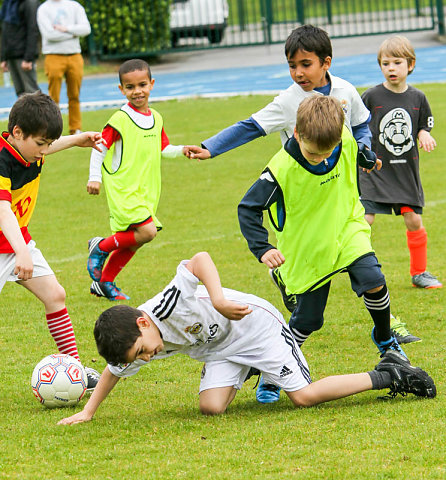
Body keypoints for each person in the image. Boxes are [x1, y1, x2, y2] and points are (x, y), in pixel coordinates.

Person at [188, 24, 412, 343]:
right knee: (308, 306)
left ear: (326, 62)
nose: (298, 73)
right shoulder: (287, 101)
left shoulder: (346, 92)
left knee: (366, 267)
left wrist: (365, 150)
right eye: (292, 66)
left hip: (336, 194)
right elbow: (250, 127)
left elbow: (362, 126)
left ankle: (386, 334)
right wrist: (211, 146)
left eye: (305, 64)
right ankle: (284, 284)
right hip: (299, 201)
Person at [57, 251, 436, 426]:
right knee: (211, 408)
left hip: (255, 327)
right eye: (136, 359)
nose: (144, 359)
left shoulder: (166, 305)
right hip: (220, 347)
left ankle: (391, 373)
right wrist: (88, 412)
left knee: (302, 398)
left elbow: (201, 258)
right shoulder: (132, 343)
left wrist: (219, 300)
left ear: (143, 323)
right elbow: (112, 371)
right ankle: (253, 370)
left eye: (141, 352)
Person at [238, 95, 409, 404]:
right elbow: (248, 208)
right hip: (307, 247)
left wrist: (367, 159)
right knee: (308, 321)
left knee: (373, 278)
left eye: (327, 152)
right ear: (297, 134)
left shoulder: (340, 136)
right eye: (313, 153)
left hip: (346, 225)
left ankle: (385, 338)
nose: (321, 158)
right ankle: (274, 370)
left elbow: (353, 150)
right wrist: (262, 248)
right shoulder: (281, 168)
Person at [0, 91, 103, 390]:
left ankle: (74, 370)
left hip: (17, 240)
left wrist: (78, 138)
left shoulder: (28, 147)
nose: (44, 151)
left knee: (55, 295)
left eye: (48, 144)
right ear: (17, 132)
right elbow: (3, 209)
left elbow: (46, 143)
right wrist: (22, 252)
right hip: (10, 241)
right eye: (40, 144)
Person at [86, 59, 195, 301]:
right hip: (123, 188)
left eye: (142, 85)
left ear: (152, 84)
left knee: (135, 240)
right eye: (130, 87)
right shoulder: (119, 119)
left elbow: (163, 147)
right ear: (121, 90)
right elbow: (99, 148)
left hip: (146, 188)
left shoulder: (156, 117)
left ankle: (105, 283)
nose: (137, 91)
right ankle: (101, 246)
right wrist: (95, 178)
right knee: (147, 232)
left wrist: (182, 150)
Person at [359, 36, 442, 298]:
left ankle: (419, 273)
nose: (391, 68)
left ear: (411, 64)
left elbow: (422, 124)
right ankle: (357, 268)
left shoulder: (418, 97)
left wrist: (424, 134)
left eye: (397, 62)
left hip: (405, 171)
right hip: (375, 170)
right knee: (365, 219)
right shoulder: (371, 96)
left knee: (413, 219)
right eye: (385, 63)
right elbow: (358, 124)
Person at [37, 0, 91, 134]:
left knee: (75, 95)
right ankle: (53, 130)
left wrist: (66, 29)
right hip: (53, 55)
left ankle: (75, 128)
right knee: (53, 97)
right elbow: (49, 35)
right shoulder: (43, 9)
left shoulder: (75, 6)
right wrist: (74, 33)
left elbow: (86, 29)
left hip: (75, 55)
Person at [0, 0, 40, 97]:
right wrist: (3, 57)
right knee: (21, 95)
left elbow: (33, 29)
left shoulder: (30, 3)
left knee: (32, 94)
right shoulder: (8, 3)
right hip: (11, 55)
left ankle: (40, 112)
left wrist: (28, 58)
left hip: (24, 56)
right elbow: (4, 31)